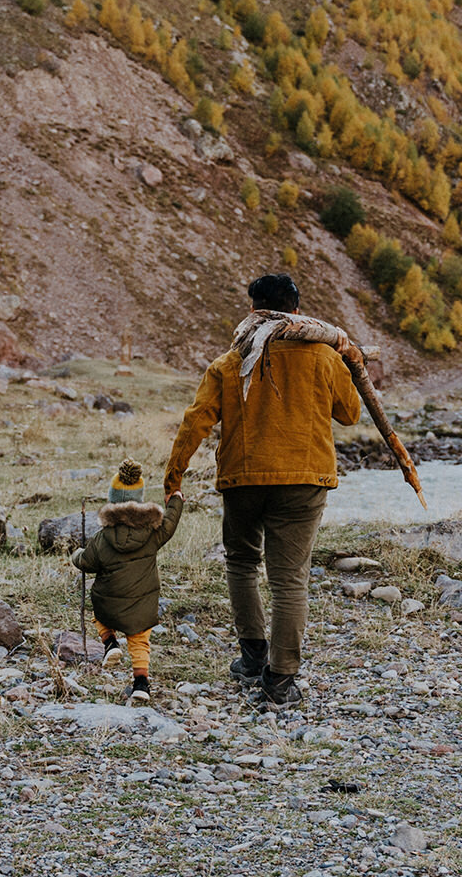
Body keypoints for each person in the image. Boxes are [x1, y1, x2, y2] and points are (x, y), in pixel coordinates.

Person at [165, 273, 361, 705]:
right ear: (296, 310)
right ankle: (281, 680)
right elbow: (350, 414)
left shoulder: (229, 363)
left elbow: (194, 421)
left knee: (241, 563)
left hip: (243, 479)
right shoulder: (325, 357)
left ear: (253, 309)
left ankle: (253, 657)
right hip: (305, 479)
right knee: (290, 580)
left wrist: (173, 477)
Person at [70, 461, 184, 704]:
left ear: (112, 502)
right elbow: (171, 522)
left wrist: (75, 554)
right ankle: (141, 683)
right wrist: (176, 499)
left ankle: (110, 643)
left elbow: (86, 562)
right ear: (139, 502)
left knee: (99, 615)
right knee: (140, 640)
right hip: (142, 604)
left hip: (109, 602)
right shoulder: (155, 532)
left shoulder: (103, 537)